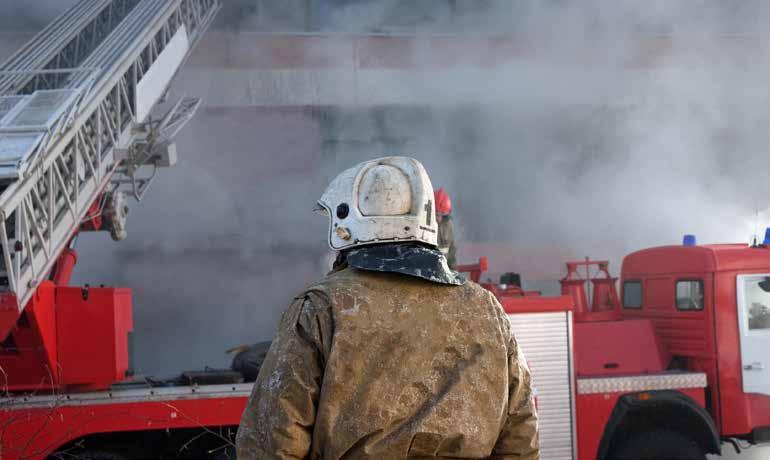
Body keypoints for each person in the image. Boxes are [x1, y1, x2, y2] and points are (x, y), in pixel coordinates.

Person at [235, 156, 539, 459]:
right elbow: (520, 436)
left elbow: (272, 442)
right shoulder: (486, 310)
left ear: (346, 223)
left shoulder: (322, 308)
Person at [434, 187, 457, 269]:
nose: (438, 218)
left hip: (444, 271)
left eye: (442, 215)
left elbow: (452, 251)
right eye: (436, 214)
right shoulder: (423, 225)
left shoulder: (448, 225)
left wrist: (454, 272)